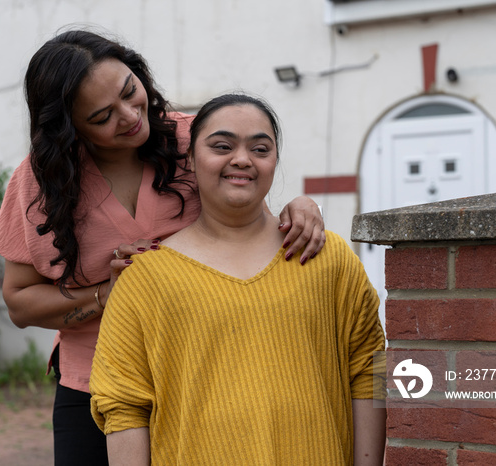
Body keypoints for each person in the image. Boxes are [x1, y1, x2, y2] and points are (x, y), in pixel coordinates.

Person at [0, 30, 325, 465]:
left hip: (200, 374)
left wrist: (300, 206)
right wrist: (105, 296)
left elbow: (249, 214)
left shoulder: (191, 141)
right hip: (92, 383)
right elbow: (19, 303)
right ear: (69, 128)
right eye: (103, 116)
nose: (130, 116)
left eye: (131, 91)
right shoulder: (39, 182)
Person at [90, 93, 387, 465]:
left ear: (275, 161)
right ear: (192, 160)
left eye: (260, 149)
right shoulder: (145, 279)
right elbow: (124, 405)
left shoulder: (328, 259)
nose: (243, 159)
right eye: (222, 146)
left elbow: (368, 370)